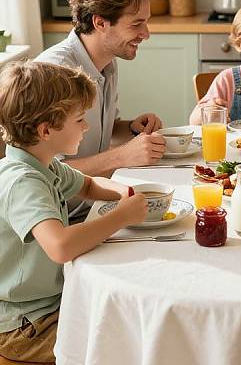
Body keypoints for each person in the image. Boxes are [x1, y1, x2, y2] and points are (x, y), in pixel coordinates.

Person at [0, 61, 147, 363]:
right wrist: (122, 216)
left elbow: (90, 185)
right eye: (80, 120)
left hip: (47, 305)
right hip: (25, 326)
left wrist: (125, 194)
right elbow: (61, 246)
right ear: (46, 130)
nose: (87, 126)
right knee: (122, 345)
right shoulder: (22, 182)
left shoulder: (44, 163)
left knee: (128, 319)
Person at [36, 0, 166, 219]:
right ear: (100, 22)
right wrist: (121, 156)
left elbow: (93, 132)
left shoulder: (107, 62)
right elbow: (47, 173)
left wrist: (129, 128)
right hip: (64, 218)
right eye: (137, 24)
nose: (146, 34)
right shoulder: (56, 73)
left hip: (93, 204)